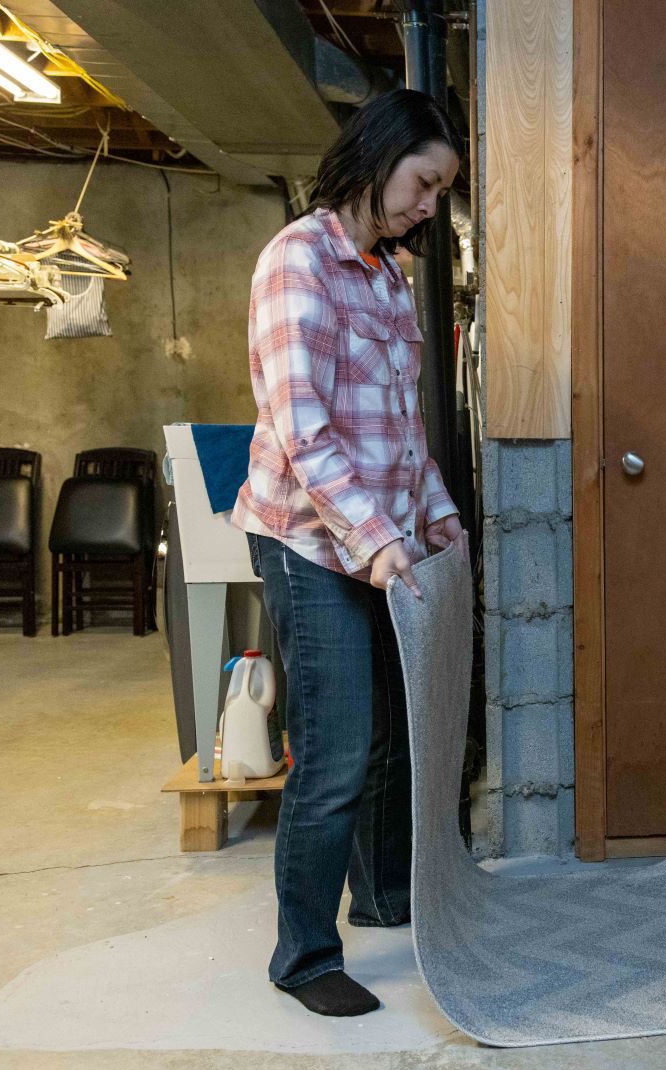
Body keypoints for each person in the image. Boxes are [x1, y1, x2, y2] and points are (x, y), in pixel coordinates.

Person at [230, 89, 464, 1018]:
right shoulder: (299, 262)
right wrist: (375, 540)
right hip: (309, 542)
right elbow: (304, 428)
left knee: (385, 735)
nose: (430, 205)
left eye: (443, 191)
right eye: (424, 182)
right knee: (334, 749)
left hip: (378, 544)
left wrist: (433, 514)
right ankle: (303, 954)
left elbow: (400, 429)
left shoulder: (384, 277)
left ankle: (381, 894)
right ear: (379, 155)